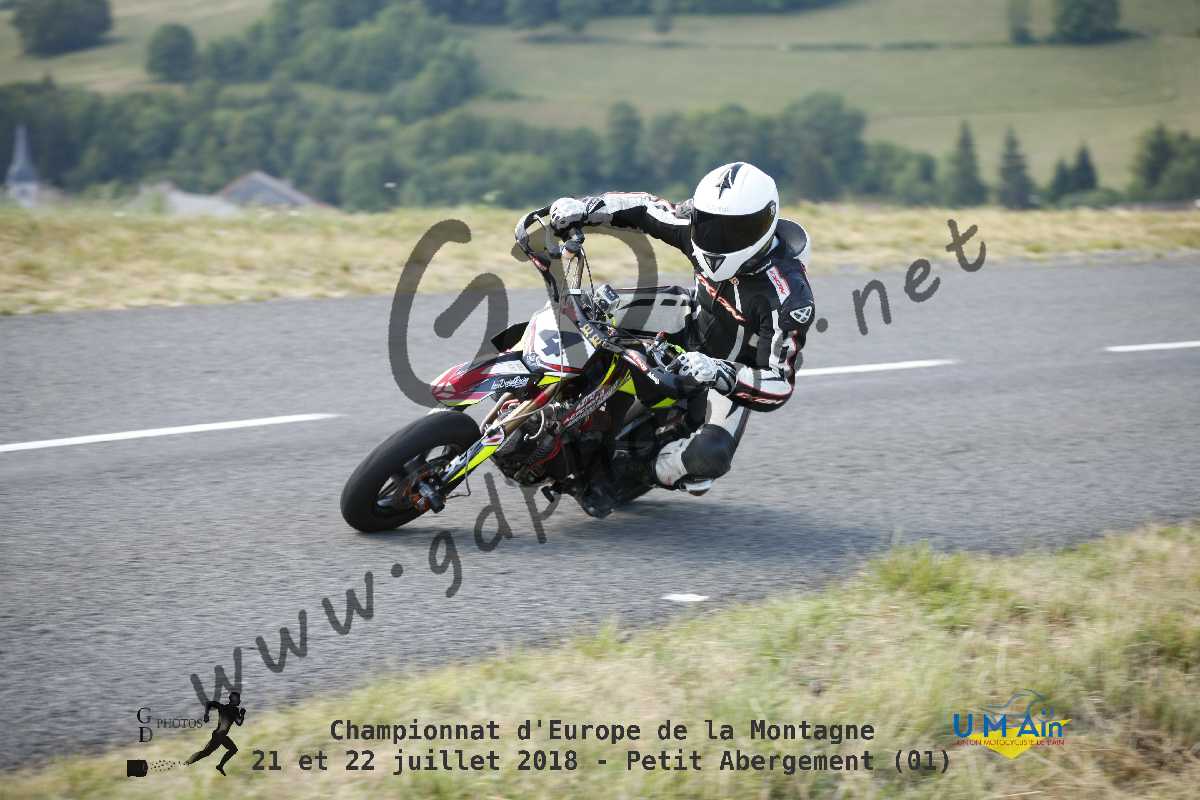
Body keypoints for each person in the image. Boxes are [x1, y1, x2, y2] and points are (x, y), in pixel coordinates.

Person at [544, 161, 814, 494]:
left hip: (726, 370)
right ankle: (538, 376)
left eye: (734, 230)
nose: (717, 238)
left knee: (710, 456)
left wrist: (719, 373)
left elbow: (780, 383)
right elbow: (646, 208)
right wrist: (584, 207)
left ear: (765, 225)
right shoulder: (693, 225)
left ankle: (636, 471)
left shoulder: (789, 296)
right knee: (591, 306)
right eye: (709, 224)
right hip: (687, 316)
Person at [186, 691, 246, 775]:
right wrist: (242, 714)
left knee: (206, 752)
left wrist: (206, 714)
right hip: (220, 736)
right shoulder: (234, 710)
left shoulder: (222, 707)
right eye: (238, 699)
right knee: (207, 752)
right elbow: (239, 723)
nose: (240, 700)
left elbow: (209, 703)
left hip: (218, 735)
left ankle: (219, 766)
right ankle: (188, 762)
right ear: (235, 699)